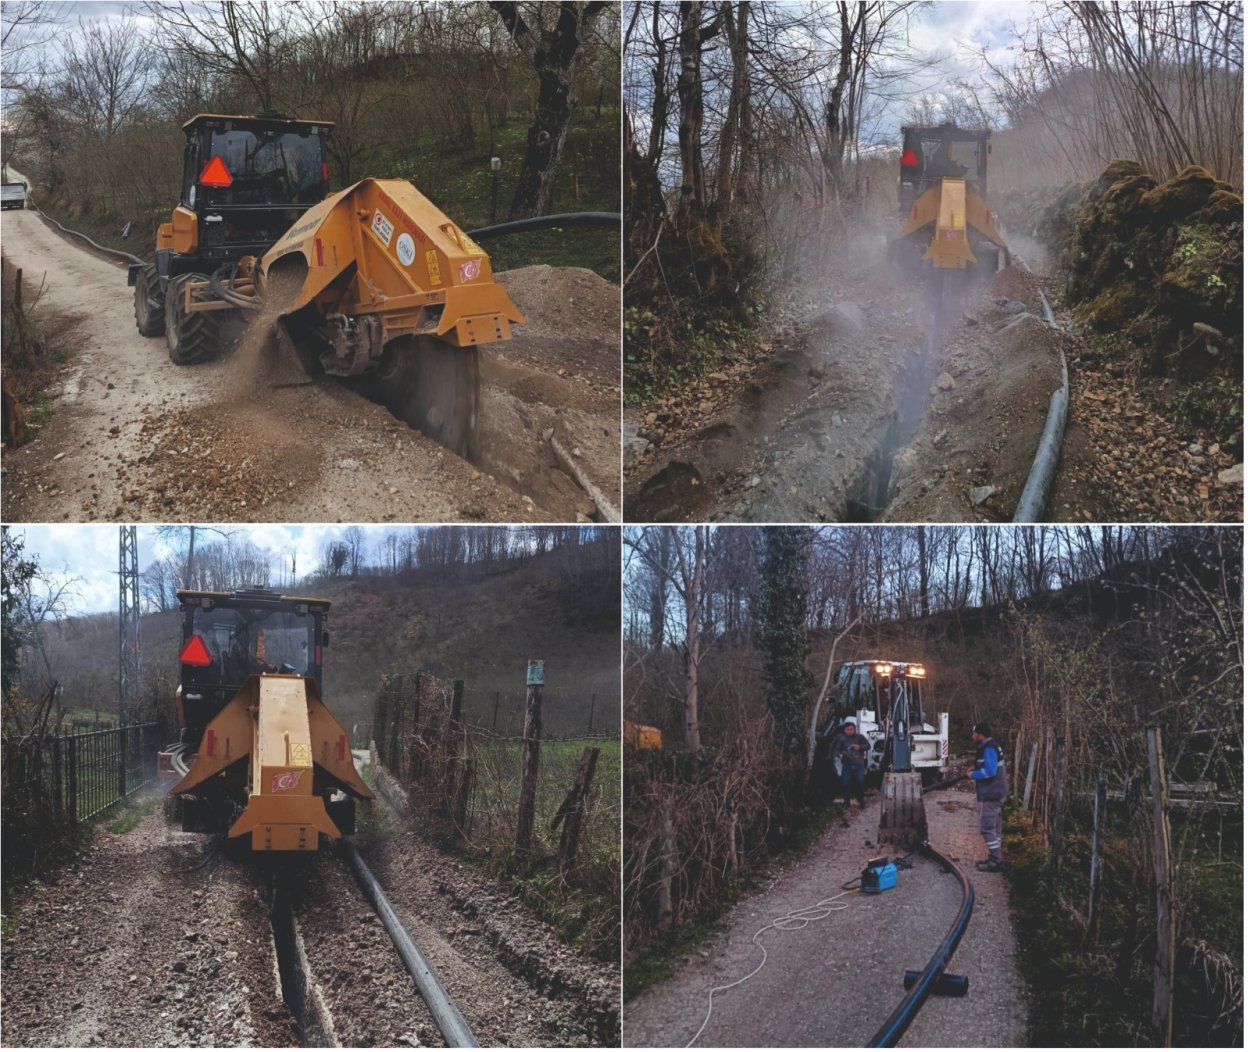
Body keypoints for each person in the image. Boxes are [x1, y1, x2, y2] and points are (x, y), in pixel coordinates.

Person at [967, 722, 1008, 871]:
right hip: (998, 792)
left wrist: (974, 775)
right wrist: (976, 768)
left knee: (986, 828)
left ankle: (996, 861)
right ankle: (995, 858)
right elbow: (989, 765)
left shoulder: (989, 748)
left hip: (993, 793)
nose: (972, 736)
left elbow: (990, 772)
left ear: (980, 735)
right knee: (995, 828)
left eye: (974, 734)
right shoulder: (991, 746)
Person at [832, 718, 871, 808]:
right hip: (846, 764)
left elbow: (868, 746)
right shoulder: (842, 739)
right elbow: (836, 751)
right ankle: (847, 803)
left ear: (854, 729)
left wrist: (859, 747)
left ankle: (861, 802)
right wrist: (840, 755)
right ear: (844, 730)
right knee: (845, 783)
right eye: (847, 729)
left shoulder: (860, 737)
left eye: (851, 729)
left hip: (859, 763)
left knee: (860, 782)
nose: (849, 731)